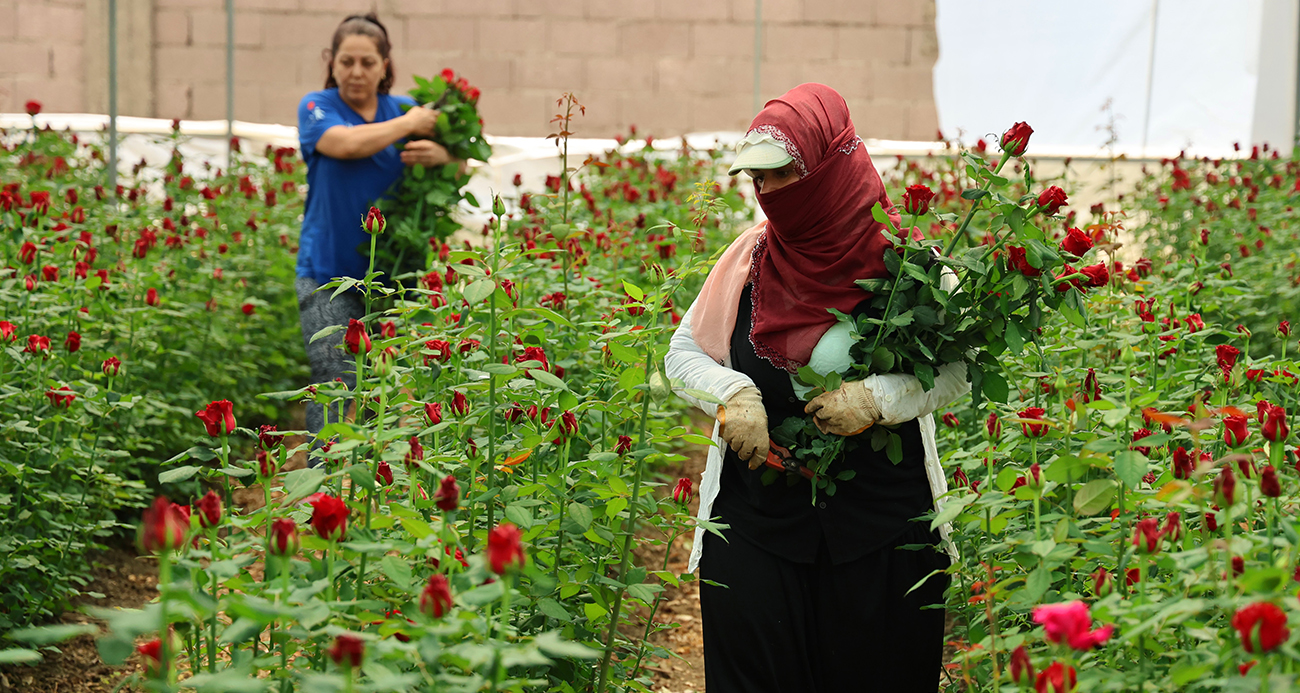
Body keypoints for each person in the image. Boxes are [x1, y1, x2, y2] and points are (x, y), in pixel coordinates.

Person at [665, 83, 970, 692]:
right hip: (758, 523)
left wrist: (876, 400)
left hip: (883, 531)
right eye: (756, 179)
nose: (767, 193)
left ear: (827, 166)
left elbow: (957, 369)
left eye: (782, 175)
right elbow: (683, 353)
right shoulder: (751, 259)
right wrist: (733, 394)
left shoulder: (912, 269)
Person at [295, 13, 450, 450]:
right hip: (325, 269)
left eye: (367, 62)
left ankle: (366, 492)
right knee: (333, 375)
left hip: (393, 276)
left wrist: (441, 154)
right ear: (331, 61)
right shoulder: (317, 106)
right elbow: (344, 143)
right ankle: (322, 492)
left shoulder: (402, 110)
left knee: (377, 386)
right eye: (347, 62)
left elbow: (461, 165)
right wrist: (411, 125)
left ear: (385, 63)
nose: (356, 72)